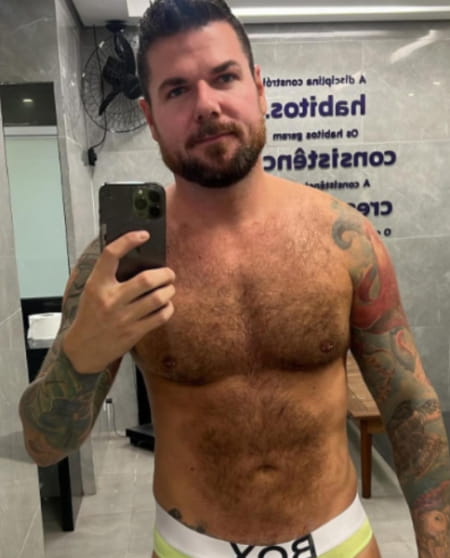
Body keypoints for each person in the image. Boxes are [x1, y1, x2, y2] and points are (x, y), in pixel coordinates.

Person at [19, 0, 450, 556]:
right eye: (177, 90)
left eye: (224, 77)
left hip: (339, 541)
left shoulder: (344, 239)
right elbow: (43, 445)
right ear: (149, 116)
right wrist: (81, 353)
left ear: (259, 88)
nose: (207, 105)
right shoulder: (115, 263)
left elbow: (411, 407)